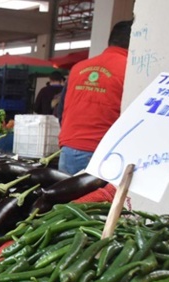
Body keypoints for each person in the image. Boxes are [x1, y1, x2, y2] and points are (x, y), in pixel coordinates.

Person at [57, 20, 133, 175]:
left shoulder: (78, 67)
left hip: (68, 150)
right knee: (95, 200)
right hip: (104, 153)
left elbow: (61, 110)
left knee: (63, 198)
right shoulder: (131, 71)